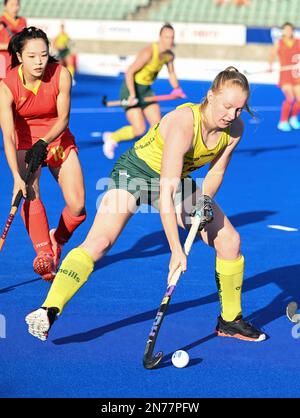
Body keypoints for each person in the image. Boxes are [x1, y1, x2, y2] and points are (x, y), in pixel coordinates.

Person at [25, 67, 266, 343]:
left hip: (177, 181)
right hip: (136, 173)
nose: (232, 115)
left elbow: (215, 172)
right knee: (101, 241)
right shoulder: (183, 124)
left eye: (239, 109)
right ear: (210, 96)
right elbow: (166, 193)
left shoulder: (234, 129)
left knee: (229, 241)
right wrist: (176, 250)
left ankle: (230, 321)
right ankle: (48, 310)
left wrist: (204, 202)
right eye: (227, 106)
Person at [0, 27, 86, 281]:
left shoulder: (61, 75)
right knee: (30, 191)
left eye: (44, 55)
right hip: (26, 142)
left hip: (57, 138)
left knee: (78, 206)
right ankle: (44, 253)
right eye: (32, 56)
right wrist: (17, 177)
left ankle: (57, 239)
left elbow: (63, 119)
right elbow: (8, 135)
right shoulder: (6, 87)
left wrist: (44, 143)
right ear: (19, 55)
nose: (39, 62)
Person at [103, 22, 186, 160]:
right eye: (166, 37)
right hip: (131, 88)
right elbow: (129, 72)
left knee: (158, 127)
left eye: (172, 37)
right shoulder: (149, 52)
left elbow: (171, 73)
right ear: (160, 37)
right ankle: (112, 137)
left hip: (146, 90)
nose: (169, 41)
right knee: (139, 129)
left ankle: (153, 156)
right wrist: (132, 95)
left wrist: (177, 89)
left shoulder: (169, 55)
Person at [269, 22, 300, 131]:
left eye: (290, 29)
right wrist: (270, 66)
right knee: (290, 98)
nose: (288, 32)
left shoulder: (298, 42)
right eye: (286, 30)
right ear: (283, 31)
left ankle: (293, 118)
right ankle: (283, 121)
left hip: (296, 75)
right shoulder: (279, 43)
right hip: (285, 75)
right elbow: (272, 54)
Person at [0, 0, 26, 79]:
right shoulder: (1, 20)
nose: (15, 8)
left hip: (18, 61)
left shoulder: (22, 21)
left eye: (17, 5)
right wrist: (10, 46)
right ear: (5, 6)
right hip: (3, 61)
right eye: (12, 5)